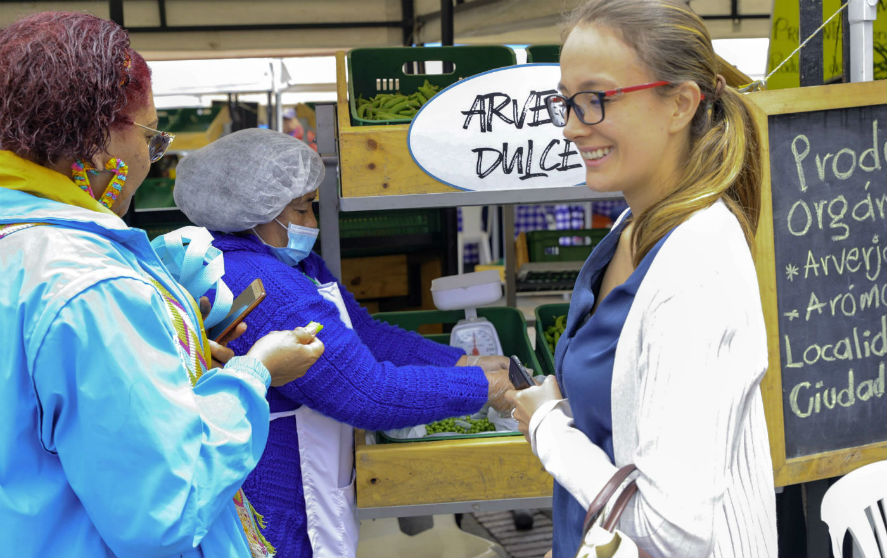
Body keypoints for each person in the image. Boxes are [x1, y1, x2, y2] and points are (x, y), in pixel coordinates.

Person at [0, 12, 324, 558]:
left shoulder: (20, 245)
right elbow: (164, 511)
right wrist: (254, 373)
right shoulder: (92, 286)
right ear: (97, 135)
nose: (150, 162)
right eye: (151, 137)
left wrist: (171, 366)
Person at [506, 1, 778, 557]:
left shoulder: (696, 268)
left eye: (595, 100)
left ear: (679, 103)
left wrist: (548, 429)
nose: (571, 126)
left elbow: (674, 528)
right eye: (566, 101)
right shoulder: (635, 226)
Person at [172, 127, 516, 558]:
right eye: (300, 210)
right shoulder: (274, 290)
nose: (312, 224)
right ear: (253, 212)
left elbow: (365, 333)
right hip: (278, 493)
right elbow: (366, 392)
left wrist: (464, 362)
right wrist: (487, 389)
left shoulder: (270, 261)